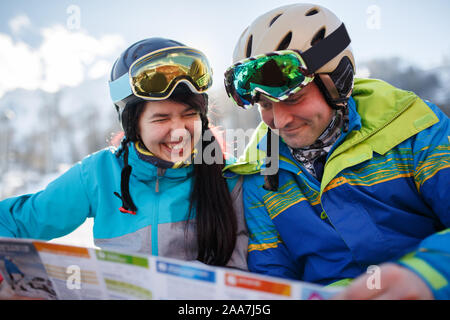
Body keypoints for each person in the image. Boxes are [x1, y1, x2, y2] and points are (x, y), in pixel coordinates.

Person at [223, 3, 449, 299]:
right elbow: (272, 278)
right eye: (264, 105)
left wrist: (427, 274)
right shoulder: (259, 173)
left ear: (336, 82)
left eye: (293, 99)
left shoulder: (414, 128)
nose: (279, 121)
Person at [0, 37, 248, 270]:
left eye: (189, 115)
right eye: (161, 118)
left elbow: (245, 270)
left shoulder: (230, 178)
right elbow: (19, 221)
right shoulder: (100, 173)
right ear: (132, 125)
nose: (179, 132)